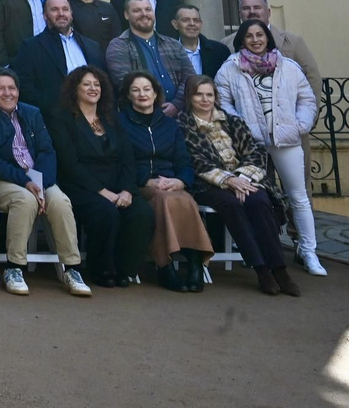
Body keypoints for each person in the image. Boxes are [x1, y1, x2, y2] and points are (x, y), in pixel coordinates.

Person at [216, 20, 326, 277]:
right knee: (254, 199)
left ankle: (309, 251)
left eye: (260, 35)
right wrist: (243, 129)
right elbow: (223, 103)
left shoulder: (288, 66)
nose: (255, 40)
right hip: (251, 145)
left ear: (267, 37)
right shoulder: (229, 69)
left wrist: (300, 125)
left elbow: (307, 99)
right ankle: (257, 250)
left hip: (286, 140)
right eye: (249, 36)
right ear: (241, 40)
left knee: (298, 197)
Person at [179, 75, 298, 296]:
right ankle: (261, 269)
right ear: (189, 97)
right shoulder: (183, 125)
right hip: (207, 184)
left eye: (209, 94)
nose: (205, 99)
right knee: (231, 205)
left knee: (260, 201)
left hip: (245, 180)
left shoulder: (233, 121)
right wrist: (227, 180)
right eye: (199, 94)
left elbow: (255, 153)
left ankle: (280, 269)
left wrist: (242, 178)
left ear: (215, 97)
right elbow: (195, 160)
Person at [0, 69, 91, 297]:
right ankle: (14, 267)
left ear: (18, 91)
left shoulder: (32, 113)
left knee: (60, 201)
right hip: (2, 180)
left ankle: (71, 269)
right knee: (25, 200)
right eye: (0, 88)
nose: (7, 93)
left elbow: (47, 151)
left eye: (12, 88)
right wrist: (26, 182)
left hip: (37, 180)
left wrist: (42, 183)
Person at [49, 65, 153, 288]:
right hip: (81, 185)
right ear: (74, 89)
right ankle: (101, 268)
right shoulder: (61, 117)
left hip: (116, 184)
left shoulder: (111, 117)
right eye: (86, 84)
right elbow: (69, 163)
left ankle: (125, 269)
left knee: (142, 213)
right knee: (105, 212)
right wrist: (102, 191)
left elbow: (127, 158)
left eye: (97, 84)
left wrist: (127, 190)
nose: (93, 88)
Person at [117, 71, 213, 292]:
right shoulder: (120, 123)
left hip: (171, 182)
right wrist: (147, 181)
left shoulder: (169, 124)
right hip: (140, 183)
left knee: (186, 199)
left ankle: (195, 264)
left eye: (147, 89)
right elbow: (121, 161)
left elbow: (184, 161)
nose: (142, 94)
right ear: (128, 96)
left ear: (156, 93)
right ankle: (165, 266)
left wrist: (180, 181)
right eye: (136, 90)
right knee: (163, 199)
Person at [11, 0, 105, 126]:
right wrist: (52, 109)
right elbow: (25, 85)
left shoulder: (92, 46)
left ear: (71, 14)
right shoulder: (31, 47)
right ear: (45, 15)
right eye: (54, 9)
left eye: (65, 9)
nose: (61, 14)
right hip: (54, 122)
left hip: (92, 119)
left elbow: (103, 81)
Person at [106, 0, 194, 115]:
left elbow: (190, 77)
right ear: (126, 15)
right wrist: (152, 106)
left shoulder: (173, 44)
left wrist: (176, 104)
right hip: (141, 117)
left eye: (148, 9)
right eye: (137, 11)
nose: (144, 14)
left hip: (180, 116)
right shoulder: (118, 46)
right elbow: (123, 82)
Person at [224, 0, 322, 100]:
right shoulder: (227, 44)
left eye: (257, 7)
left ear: (268, 12)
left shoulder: (293, 41)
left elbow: (312, 77)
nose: (252, 12)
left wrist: (309, 114)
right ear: (239, 14)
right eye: (246, 8)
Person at [171, 4, 230, 80]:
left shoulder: (220, 51)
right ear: (175, 24)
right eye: (185, 20)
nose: (192, 24)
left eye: (196, 20)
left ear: (201, 24)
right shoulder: (166, 52)